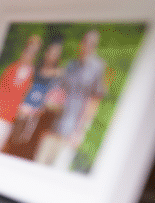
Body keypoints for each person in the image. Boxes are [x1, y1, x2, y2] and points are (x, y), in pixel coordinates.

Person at [34, 28, 108, 170]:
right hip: (53, 126)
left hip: (72, 131)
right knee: (39, 165)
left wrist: (80, 132)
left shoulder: (97, 67)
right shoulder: (71, 64)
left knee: (57, 170)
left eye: (92, 44)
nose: (87, 46)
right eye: (85, 42)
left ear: (95, 47)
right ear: (81, 43)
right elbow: (56, 92)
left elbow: (94, 101)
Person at [2, 36, 65, 160]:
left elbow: (54, 100)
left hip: (37, 118)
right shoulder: (34, 69)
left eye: (56, 53)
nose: (52, 55)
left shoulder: (58, 76)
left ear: (59, 56)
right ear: (46, 53)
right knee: (11, 144)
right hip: (20, 112)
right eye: (51, 51)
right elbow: (22, 88)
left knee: (27, 148)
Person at [0, 33, 41, 152]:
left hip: (11, 123)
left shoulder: (31, 75)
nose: (30, 55)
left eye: (34, 52)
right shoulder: (11, 69)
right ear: (24, 50)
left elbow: (25, 99)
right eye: (29, 50)